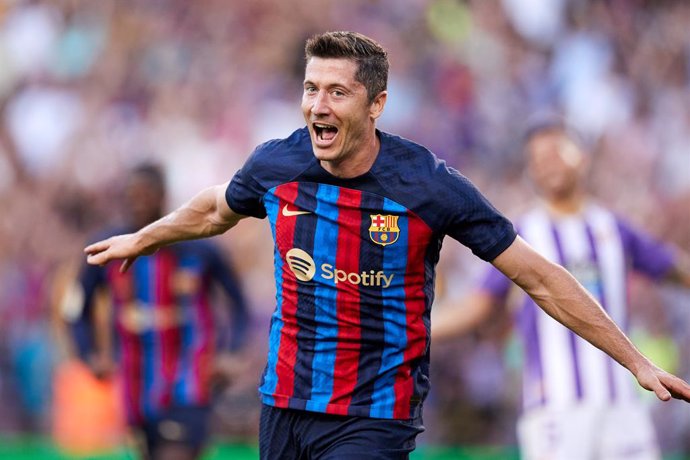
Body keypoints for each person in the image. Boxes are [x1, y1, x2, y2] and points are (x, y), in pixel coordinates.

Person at [83, 32, 690, 459]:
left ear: (376, 105)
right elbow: (217, 207)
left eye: (337, 92)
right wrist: (146, 235)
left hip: (375, 415)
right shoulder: (278, 162)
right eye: (310, 87)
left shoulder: (429, 185)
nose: (318, 106)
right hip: (286, 404)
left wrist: (635, 361)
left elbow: (536, 275)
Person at [432, 118, 690, 460]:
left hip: (621, 402)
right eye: (536, 159)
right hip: (555, 407)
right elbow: (478, 305)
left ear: (582, 156)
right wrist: (410, 328)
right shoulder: (521, 235)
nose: (547, 163)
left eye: (556, 152)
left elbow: (674, 269)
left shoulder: (614, 228)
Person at [72, 163, 249, 460]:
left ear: (163, 196)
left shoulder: (200, 248)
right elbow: (76, 307)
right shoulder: (110, 248)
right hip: (135, 384)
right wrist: (88, 354)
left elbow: (239, 303)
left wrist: (232, 352)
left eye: (145, 194)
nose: (137, 202)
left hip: (189, 381)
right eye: (131, 195)